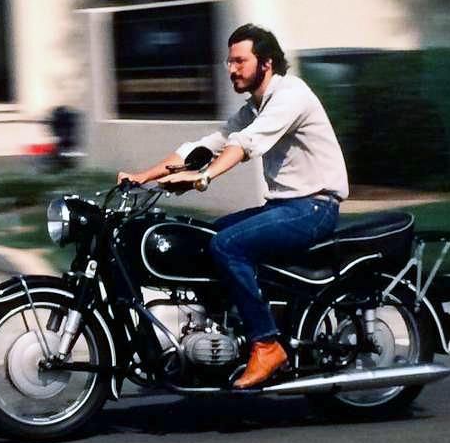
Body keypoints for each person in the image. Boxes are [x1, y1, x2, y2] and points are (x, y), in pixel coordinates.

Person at [117, 23, 349, 389]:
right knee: (206, 236)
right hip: (283, 207)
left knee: (227, 244)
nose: (231, 69)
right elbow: (207, 145)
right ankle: (220, 337)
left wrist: (204, 178)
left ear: (266, 63)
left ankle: (267, 343)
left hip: (313, 209)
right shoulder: (255, 107)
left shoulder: (291, 95)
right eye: (229, 62)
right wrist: (142, 176)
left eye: (240, 61)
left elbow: (244, 144)